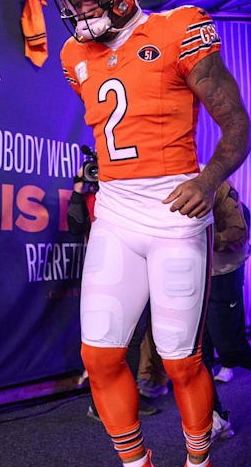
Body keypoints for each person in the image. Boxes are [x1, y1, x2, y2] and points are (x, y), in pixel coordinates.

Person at [50, 0, 251, 467]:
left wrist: (208, 182)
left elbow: (237, 124)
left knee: (179, 360)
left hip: (174, 210)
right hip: (116, 211)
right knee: (99, 356)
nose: (81, 3)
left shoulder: (178, 30)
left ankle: (197, 459)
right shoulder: (75, 55)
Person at [67, 158, 161, 422]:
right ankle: (102, 405)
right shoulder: (88, 198)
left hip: (136, 272)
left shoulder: (132, 196)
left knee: (133, 339)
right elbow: (75, 226)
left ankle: (127, 399)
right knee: (105, 342)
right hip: (103, 277)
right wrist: (77, 189)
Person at [200, 177, 251, 439]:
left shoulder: (213, 181)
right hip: (184, 277)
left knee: (229, 348)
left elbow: (238, 232)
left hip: (222, 272)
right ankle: (215, 417)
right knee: (197, 355)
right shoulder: (150, 183)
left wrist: (198, 238)